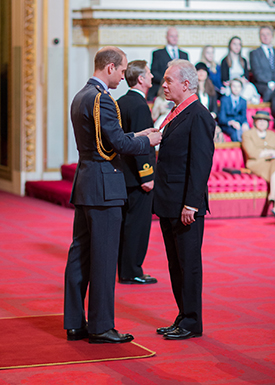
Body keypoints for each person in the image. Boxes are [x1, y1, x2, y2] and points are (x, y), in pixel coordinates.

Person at [64, 46, 162, 344]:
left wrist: (138, 136)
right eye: (121, 71)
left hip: (86, 183)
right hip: (105, 188)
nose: (123, 76)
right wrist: (149, 141)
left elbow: (104, 142)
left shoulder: (82, 95)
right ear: (109, 68)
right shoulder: (102, 100)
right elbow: (116, 144)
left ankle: (75, 323)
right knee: (104, 260)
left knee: (80, 255)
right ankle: (101, 327)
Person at [153, 59, 215, 340]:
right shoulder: (178, 112)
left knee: (188, 265)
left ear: (186, 84)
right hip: (169, 202)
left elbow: (200, 165)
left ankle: (192, 321)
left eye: (168, 80)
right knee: (175, 265)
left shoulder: (199, 115)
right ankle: (182, 316)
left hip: (185, 206)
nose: (163, 85)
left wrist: (192, 203)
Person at [117, 60, 157, 284]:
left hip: (124, 174)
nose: (152, 77)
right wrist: (148, 176)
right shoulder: (140, 105)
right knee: (137, 226)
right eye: (149, 74)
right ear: (141, 79)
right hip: (138, 177)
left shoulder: (122, 101)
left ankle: (125, 269)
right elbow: (142, 145)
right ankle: (132, 271)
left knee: (126, 224)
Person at [242, 110, 275, 216]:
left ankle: (273, 197)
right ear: (255, 121)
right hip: (256, 163)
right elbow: (252, 153)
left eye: (264, 120)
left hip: (271, 163)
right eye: (259, 120)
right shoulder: (248, 134)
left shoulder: (272, 134)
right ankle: (273, 196)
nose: (262, 122)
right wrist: (269, 152)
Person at [147, 27, 189, 101]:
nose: (174, 38)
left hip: (180, 91)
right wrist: (168, 82)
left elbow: (187, 73)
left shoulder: (184, 55)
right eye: (172, 36)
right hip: (160, 90)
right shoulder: (157, 53)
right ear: (166, 37)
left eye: (176, 36)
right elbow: (154, 72)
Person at [221, 36, 260, 105]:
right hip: (231, 84)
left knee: (250, 87)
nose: (237, 46)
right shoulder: (225, 61)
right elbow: (225, 79)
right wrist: (235, 81)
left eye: (239, 44)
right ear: (230, 45)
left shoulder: (243, 60)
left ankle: (242, 102)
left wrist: (242, 80)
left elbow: (246, 76)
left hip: (242, 84)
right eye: (234, 44)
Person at [250, 26, 275, 118]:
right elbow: (257, 73)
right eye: (262, 34)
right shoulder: (254, 53)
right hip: (263, 84)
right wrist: (271, 83)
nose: (265, 37)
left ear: (272, 36)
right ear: (259, 37)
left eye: (268, 34)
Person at [195, 62, 224, 143]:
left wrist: (211, 115)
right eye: (199, 71)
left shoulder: (212, 89)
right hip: (197, 120)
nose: (201, 73)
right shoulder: (191, 90)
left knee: (218, 132)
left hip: (210, 119)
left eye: (203, 71)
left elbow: (214, 109)